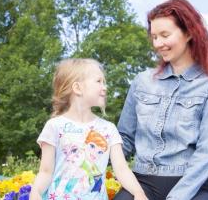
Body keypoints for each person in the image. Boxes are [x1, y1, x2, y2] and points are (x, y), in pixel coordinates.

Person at [114, 0, 208, 200]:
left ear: (188, 33)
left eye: (164, 35)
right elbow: (123, 139)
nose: (158, 43)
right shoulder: (142, 82)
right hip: (143, 183)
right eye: (154, 37)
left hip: (193, 186)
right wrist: (86, 157)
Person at [30, 58, 149, 200]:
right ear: (77, 88)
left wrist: (139, 193)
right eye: (99, 81)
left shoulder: (108, 129)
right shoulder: (54, 126)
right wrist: (35, 193)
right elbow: (45, 172)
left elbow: (122, 169)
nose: (105, 87)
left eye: (104, 82)